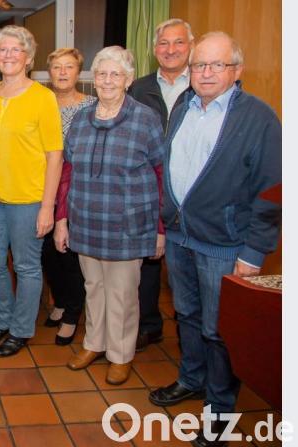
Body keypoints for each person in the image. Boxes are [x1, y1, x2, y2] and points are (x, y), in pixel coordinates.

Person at [149, 32, 281, 447]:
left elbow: (272, 189)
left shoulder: (258, 118)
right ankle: (191, 378)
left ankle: (219, 411)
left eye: (215, 65)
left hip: (225, 244)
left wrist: (253, 251)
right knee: (186, 314)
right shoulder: (184, 108)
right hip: (181, 236)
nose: (204, 73)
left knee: (221, 330)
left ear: (236, 70)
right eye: (198, 65)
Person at [55, 46, 166, 385]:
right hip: (86, 220)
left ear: (128, 80)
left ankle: (120, 354)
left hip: (128, 224)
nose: (107, 80)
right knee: (94, 287)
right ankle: (94, 344)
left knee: (121, 293)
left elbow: (161, 175)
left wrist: (159, 228)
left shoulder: (145, 119)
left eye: (115, 74)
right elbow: (67, 173)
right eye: (101, 74)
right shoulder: (82, 120)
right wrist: (62, 219)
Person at [0, 25, 63, 357]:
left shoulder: (43, 97)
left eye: (15, 50)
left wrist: (48, 207)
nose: (7, 55)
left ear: (28, 57)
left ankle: (21, 330)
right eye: (2, 50)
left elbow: (55, 155)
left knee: (26, 266)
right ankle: (4, 320)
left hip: (29, 200)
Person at [127, 18, 194, 351]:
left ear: (189, 47)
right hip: (147, 186)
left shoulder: (203, 83)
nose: (170, 50)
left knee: (186, 265)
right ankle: (149, 324)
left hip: (189, 191)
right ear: (154, 50)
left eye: (178, 42)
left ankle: (188, 333)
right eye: (164, 44)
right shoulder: (138, 88)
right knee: (148, 260)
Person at [41, 47, 96, 345]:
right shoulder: (38, 101)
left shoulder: (92, 106)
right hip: (43, 187)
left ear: (78, 72)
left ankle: (73, 312)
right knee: (47, 253)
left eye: (69, 67)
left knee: (70, 252)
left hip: (77, 190)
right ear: (49, 72)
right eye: (57, 67)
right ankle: (60, 301)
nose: (63, 72)